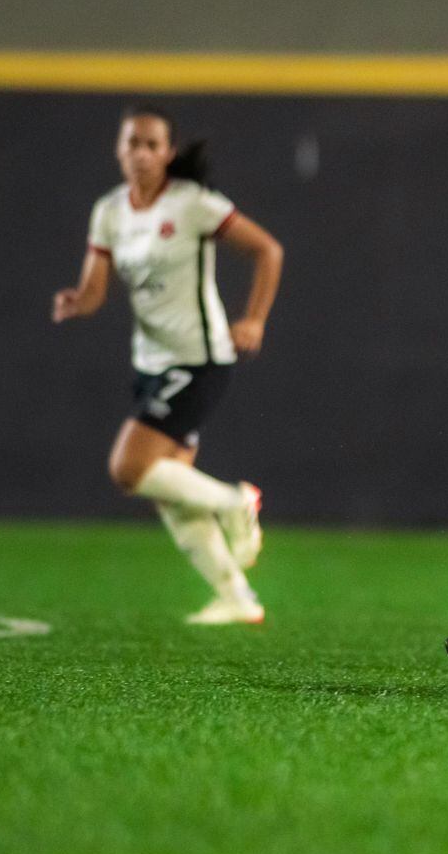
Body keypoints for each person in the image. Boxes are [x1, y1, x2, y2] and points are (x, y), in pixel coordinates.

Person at [52, 105, 284, 624]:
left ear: (168, 153)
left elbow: (268, 250)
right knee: (169, 490)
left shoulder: (193, 204)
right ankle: (236, 598)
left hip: (198, 359)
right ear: (119, 149)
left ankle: (234, 501)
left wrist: (255, 320)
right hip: (151, 363)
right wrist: (77, 301)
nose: (140, 153)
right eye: (131, 143)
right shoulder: (110, 211)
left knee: (128, 468)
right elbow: (94, 291)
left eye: (151, 145)